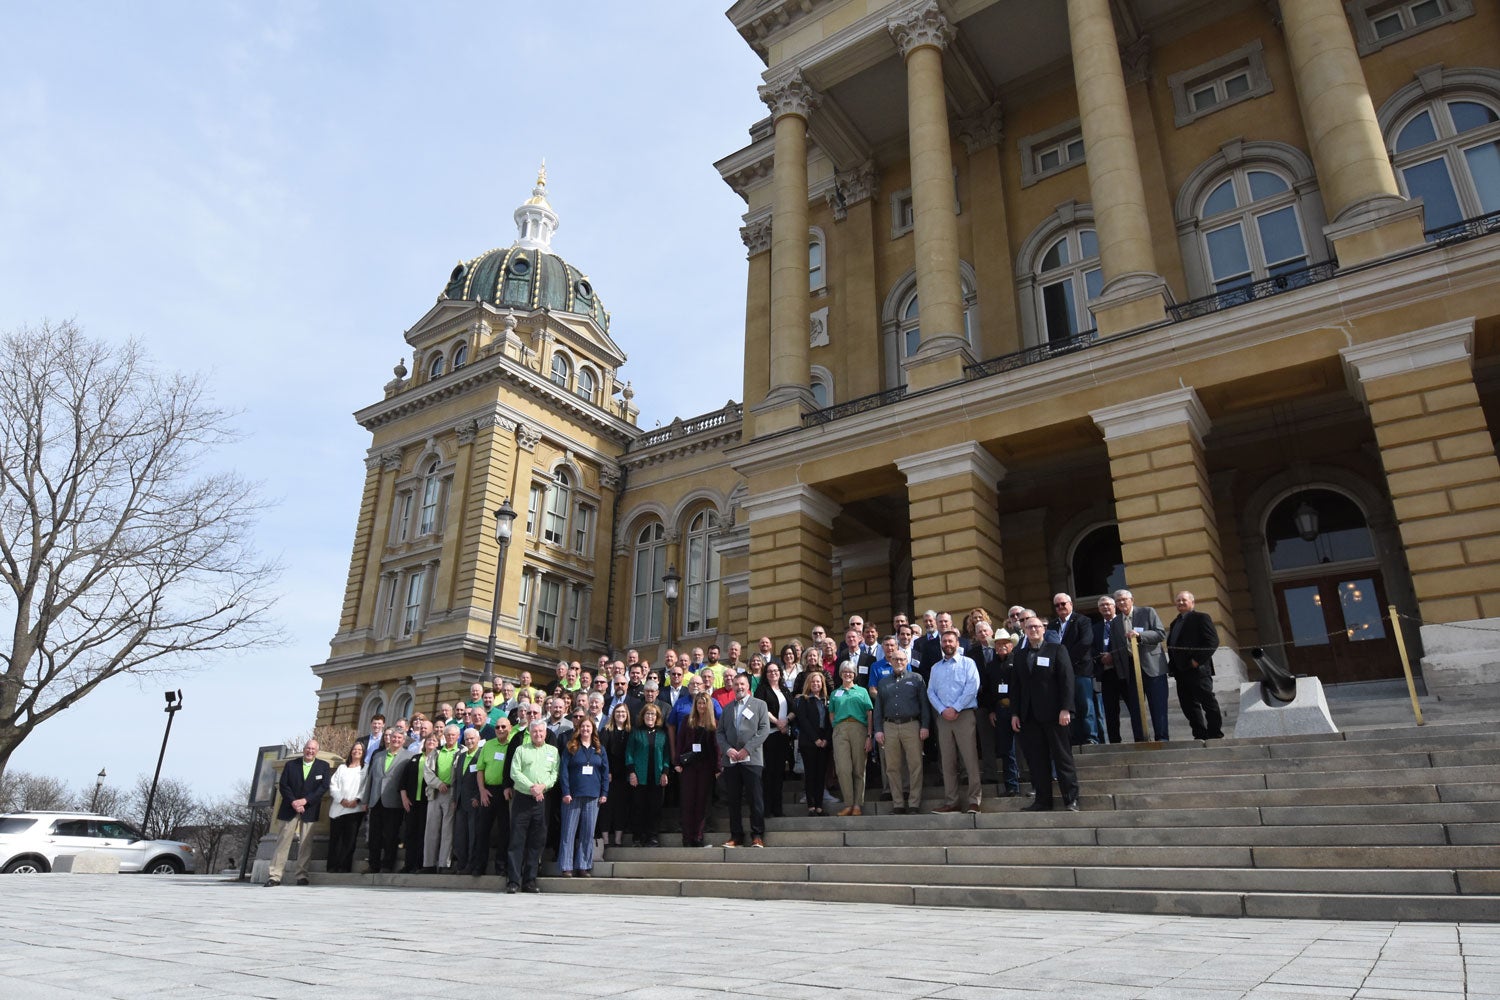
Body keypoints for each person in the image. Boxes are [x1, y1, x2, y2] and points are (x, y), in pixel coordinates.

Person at [1011, 615, 1080, 811]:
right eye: (1029, 627)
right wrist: (1015, 713)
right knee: (1037, 761)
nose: (1033, 630)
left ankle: (1071, 799)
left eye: (1037, 627)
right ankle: (1043, 800)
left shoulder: (1057, 649)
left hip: (1055, 714)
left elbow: (1067, 680)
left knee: (1062, 758)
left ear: (1043, 629)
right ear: (1025, 630)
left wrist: (1066, 708)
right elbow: (1015, 687)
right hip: (1029, 717)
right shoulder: (1020, 655)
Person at [928, 626, 983, 813]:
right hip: (943, 718)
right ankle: (952, 801)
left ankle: (974, 800)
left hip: (964, 715)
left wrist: (956, 708)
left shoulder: (968, 663)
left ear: (957, 643)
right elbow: (931, 692)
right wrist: (943, 710)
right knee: (947, 761)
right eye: (944, 641)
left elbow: (972, 687)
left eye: (951, 641)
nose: (947, 644)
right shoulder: (935, 668)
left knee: (970, 758)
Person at [265, 739, 331, 887]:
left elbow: (323, 787)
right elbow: (284, 785)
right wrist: (294, 802)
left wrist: (305, 801)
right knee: (283, 842)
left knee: (305, 844)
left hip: (310, 808)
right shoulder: (291, 765)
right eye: (308, 748)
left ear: (317, 751)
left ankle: (302, 875)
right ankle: (274, 876)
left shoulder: (323, 766)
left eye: (313, 749)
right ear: (304, 749)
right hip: (290, 807)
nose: (310, 751)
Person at [872, 647, 929, 814]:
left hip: (912, 725)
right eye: (895, 659)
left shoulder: (917, 679)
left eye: (902, 660)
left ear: (907, 662)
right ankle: (898, 803)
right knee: (892, 766)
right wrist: (878, 730)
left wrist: (925, 725)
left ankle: (914, 803)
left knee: (915, 765)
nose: (898, 662)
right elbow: (878, 709)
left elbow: (924, 704)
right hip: (889, 726)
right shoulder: (883, 683)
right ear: (890, 662)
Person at [505, 719, 559, 893]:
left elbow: (554, 774)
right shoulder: (521, 750)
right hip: (523, 798)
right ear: (530, 732)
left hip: (542, 800)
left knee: (537, 841)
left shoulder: (553, 751)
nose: (538, 734)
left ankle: (529, 880)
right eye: (534, 731)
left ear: (545, 733)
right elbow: (515, 772)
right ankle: (513, 881)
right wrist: (531, 787)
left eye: (541, 732)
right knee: (517, 840)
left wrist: (543, 786)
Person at [717, 673, 770, 846]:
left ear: (748, 686)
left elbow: (763, 729)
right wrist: (728, 749)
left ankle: (757, 835)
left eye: (742, 684)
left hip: (752, 758)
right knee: (733, 800)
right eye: (736, 684)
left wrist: (747, 749)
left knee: (755, 798)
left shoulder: (760, 705)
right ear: (732, 686)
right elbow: (720, 733)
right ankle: (736, 836)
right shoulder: (727, 708)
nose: (739, 687)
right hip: (731, 760)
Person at [1167, 590, 1224, 739]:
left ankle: (1215, 733)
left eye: (1184, 600)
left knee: (1208, 703)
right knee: (1188, 706)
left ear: (1192, 602)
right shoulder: (1175, 623)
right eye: (1178, 600)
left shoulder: (1201, 618)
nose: (1180, 603)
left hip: (1198, 670)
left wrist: (1196, 660)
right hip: (1181, 672)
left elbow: (1212, 642)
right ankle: (1199, 734)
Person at [1115, 589, 1170, 740]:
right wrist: (1121, 674)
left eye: (1124, 599)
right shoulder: (1115, 622)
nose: (1121, 603)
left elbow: (1160, 634)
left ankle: (1162, 737)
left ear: (1132, 600)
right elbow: (1116, 649)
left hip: (1152, 667)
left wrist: (1140, 635)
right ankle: (1140, 738)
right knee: (1135, 707)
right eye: (1118, 601)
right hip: (1131, 670)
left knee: (1158, 704)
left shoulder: (1147, 612)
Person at [558, 717, 609, 876]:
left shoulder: (599, 749)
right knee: (568, 832)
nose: (586, 729)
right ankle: (567, 866)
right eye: (583, 727)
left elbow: (605, 773)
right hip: (573, 796)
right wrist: (566, 792)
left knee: (588, 833)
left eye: (588, 726)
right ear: (578, 729)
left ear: (593, 729)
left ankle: (583, 865)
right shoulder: (571, 747)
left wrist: (604, 792)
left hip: (593, 796)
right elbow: (564, 771)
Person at [361, 728, 413, 874]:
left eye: (399, 738)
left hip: (394, 802)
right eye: (394, 737)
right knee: (374, 836)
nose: (396, 740)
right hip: (375, 800)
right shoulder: (378, 756)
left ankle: (387, 865)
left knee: (391, 835)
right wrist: (366, 800)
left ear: (403, 740)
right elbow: (370, 778)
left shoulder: (409, 756)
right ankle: (373, 864)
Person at [978, 628, 1023, 796]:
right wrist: (991, 711)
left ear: (1011, 645)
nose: (1002, 646)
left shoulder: (1018, 661)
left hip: (1018, 708)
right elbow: (988, 691)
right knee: (1006, 749)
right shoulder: (991, 666)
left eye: (1005, 643)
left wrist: (1018, 711)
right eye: (998, 643)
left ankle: (1031, 780)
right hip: (1000, 709)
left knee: (1026, 746)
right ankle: (1011, 785)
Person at [673, 692, 719, 846]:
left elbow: (716, 747)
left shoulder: (713, 723)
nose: (701, 706)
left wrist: (718, 767)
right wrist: (677, 762)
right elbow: (679, 743)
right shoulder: (688, 720)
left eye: (704, 703)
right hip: (689, 767)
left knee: (701, 802)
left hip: (706, 767)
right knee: (687, 802)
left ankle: (698, 836)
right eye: (699, 703)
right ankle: (687, 837)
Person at [829, 662, 874, 816]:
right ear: (840, 674)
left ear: (855, 674)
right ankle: (848, 803)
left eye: (850, 672)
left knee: (859, 768)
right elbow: (832, 713)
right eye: (844, 671)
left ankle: (857, 805)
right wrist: (836, 727)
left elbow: (869, 713)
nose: (847, 674)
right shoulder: (835, 693)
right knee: (843, 769)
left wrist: (869, 735)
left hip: (859, 729)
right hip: (840, 730)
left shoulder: (862, 691)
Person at [625, 702, 671, 847]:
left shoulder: (662, 734)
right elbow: (629, 753)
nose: (650, 716)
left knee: (655, 808)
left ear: (657, 717)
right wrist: (632, 773)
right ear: (643, 716)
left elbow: (666, 755)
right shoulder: (636, 732)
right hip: (639, 777)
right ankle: (638, 836)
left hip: (657, 777)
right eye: (647, 714)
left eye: (653, 714)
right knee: (639, 807)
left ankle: (652, 836)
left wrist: (665, 772)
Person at [473, 718, 513, 879]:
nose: (500, 729)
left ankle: (501, 866)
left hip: (506, 791)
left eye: (504, 726)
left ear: (510, 728)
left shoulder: (513, 745)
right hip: (488, 791)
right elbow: (480, 769)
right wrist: (482, 790)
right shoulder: (488, 745)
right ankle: (479, 866)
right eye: (497, 727)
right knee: (482, 830)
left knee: (504, 831)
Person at [754, 661, 793, 817]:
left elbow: (793, 708)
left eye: (775, 671)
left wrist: (786, 721)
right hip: (769, 736)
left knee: (779, 773)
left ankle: (778, 808)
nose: (773, 673)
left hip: (782, 736)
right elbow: (762, 708)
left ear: (780, 672)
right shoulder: (762, 690)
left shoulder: (784, 689)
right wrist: (778, 722)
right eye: (769, 671)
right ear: (766, 674)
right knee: (768, 773)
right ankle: (767, 809)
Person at [792, 669, 833, 815]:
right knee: (810, 774)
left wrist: (826, 739)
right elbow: (803, 721)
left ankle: (820, 807)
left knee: (821, 775)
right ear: (809, 684)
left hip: (824, 743)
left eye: (818, 681)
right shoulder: (803, 700)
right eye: (813, 681)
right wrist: (815, 739)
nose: (816, 684)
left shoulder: (827, 700)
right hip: (809, 742)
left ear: (822, 684)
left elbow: (830, 722)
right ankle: (811, 807)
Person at [423, 724, 461, 872]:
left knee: (447, 831)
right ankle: (429, 864)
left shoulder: (461, 751)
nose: (450, 737)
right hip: (436, 793)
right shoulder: (435, 752)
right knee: (431, 830)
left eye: (453, 735)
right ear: (443, 736)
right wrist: (438, 784)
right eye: (448, 735)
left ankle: (444, 864)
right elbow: (427, 772)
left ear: (458, 736)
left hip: (451, 794)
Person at [399, 732, 437, 873]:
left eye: (434, 740)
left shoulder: (437, 759)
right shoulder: (415, 758)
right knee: (410, 833)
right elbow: (403, 781)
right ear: (424, 743)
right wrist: (404, 798)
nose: (431, 742)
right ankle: (409, 864)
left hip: (428, 802)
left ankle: (420, 864)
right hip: (412, 802)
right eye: (429, 740)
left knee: (423, 833)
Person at [326, 741, 366, 873]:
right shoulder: (342, 768)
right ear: (351, 752)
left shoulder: (365, 768)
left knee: (349, 840)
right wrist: (341, 800)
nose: (357, 752)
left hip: (355, 808)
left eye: (360, 750)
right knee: (335, 839)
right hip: (338, 808)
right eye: (355, 749)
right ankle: (332, 865)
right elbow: (333, 785)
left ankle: (344, 866)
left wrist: (357, 799)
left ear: (363, 753)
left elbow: (365, 786)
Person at [451, 728, 485, 874]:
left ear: (478, 739)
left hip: (473, 802)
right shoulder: (462, 756)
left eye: (472, 739)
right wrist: (454, 799)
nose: (469, 741)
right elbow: (457, 780)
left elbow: (484, 779)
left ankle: (471, 864)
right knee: (460, 835)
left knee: (473, 836)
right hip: (460, 802)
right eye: (467, 739)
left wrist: (478, 796)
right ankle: (461, 863)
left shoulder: (481, 755)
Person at [600, 703, 633, 847]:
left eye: (623, 712)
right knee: (607, 807)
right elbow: (603, 753)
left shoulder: (631, 731)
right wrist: (607, 771)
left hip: (625, 776)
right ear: (613, 714)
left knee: (622, 807)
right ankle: (606, 839)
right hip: (610, 775)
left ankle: (618, 839)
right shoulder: (606, 731)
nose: (620, 714)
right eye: (618, 712)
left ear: (627, 715)